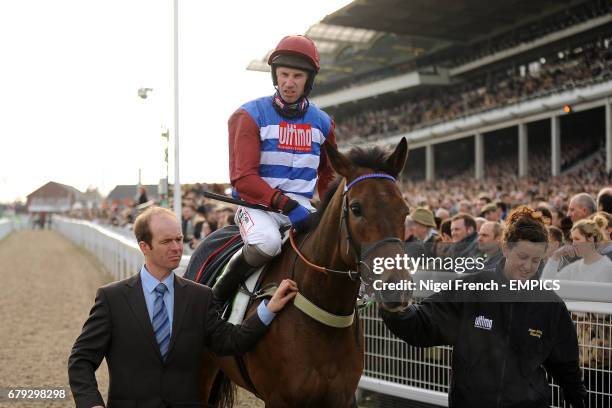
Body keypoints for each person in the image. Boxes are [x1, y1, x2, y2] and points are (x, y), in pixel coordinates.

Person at [68, 207, 298, 408]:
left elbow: (231, 341)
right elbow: (81, 360)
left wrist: (268, 308)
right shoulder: (112, 299)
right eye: (167, 241)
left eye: (179, 239)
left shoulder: (200, 296)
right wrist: (91, 404)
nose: (177, 247)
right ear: (144, 246)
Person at [380, 206, 587, 408]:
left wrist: (580, 400)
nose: (528, 267)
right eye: (522, 257)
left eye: (536, 260)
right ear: (506, 247)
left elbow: (567, 369)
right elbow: (423, 325)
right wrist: (394, 307)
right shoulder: (471, 288)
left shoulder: (550, 305)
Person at [216, 35, 336, 307]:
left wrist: (329, 208)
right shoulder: (248, 115)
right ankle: (216, 299)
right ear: (275, 75)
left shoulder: (324, 123)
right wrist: (286, 204)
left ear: (309, 80)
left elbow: (329, 177)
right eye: (283, 74)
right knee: (267, 243)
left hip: (302, 208)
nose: (289, 82)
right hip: (258, 208)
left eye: (297, 75)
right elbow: (243, 178)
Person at [541, 215, 612, 282]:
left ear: (591, 238)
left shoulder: (607, 268)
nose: (574, 243)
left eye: (577, 239)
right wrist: (556, 255)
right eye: (572, 240)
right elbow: (547, 285)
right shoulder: (574, 268)